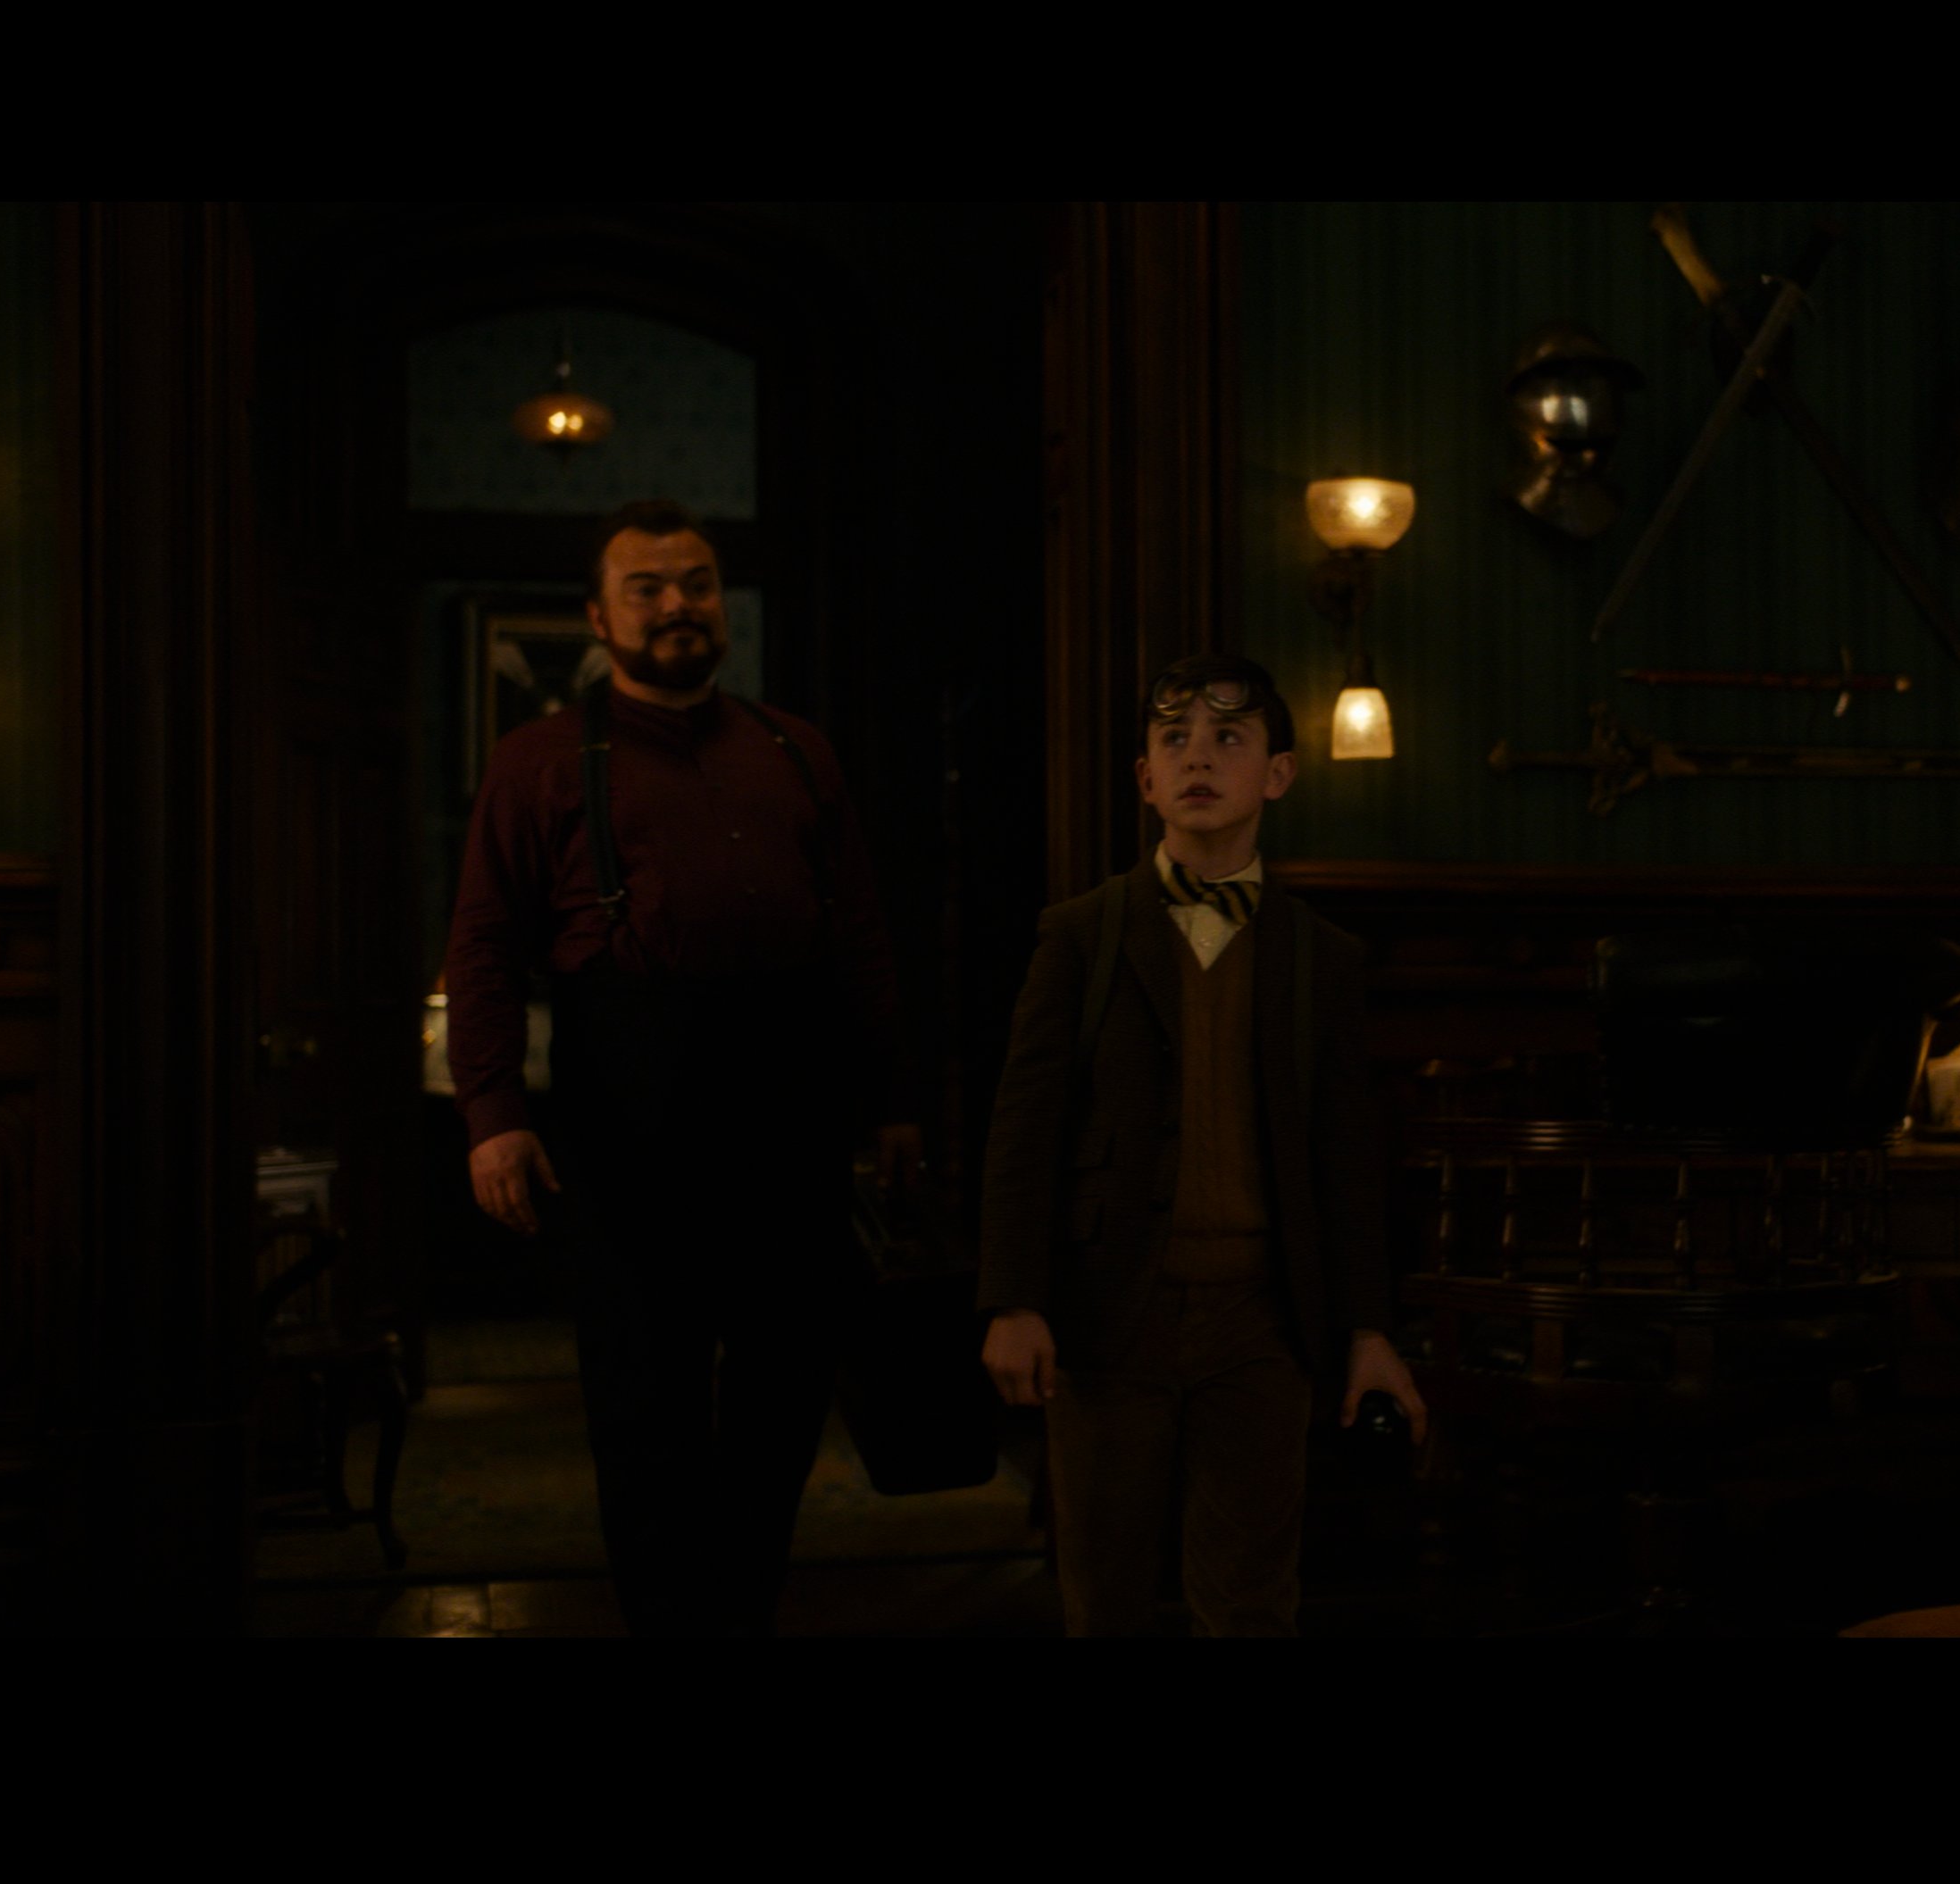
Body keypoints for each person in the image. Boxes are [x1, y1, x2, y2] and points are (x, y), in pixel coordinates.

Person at [442, 498, 918, 1638]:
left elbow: (860, 937)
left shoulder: (795, 748)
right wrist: (493, 1113)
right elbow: (485, 948)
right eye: (646, 588)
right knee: (643, 1406)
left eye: (696, 584)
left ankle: (738, 1614)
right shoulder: (537, 761)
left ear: (722, 603)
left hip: (791, 1111)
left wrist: (891, 1101)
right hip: (628, 1114)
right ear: (598, 618)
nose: (676, 606)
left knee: (784, 1396)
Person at [978, 653, 1426, 1637]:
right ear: (1145, 779)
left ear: (1278, 773)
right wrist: (1014, 1297)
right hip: (1111, 1309)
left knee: (1251, 1594)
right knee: (1104, 1591)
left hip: (1262, 1318)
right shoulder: (1083, 934)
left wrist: (1368, 1329)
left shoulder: (1319, 955)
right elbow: (1024, 1131)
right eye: (1174, 739)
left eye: (1229, 738)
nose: (1199, 758)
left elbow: (1347, 1158)